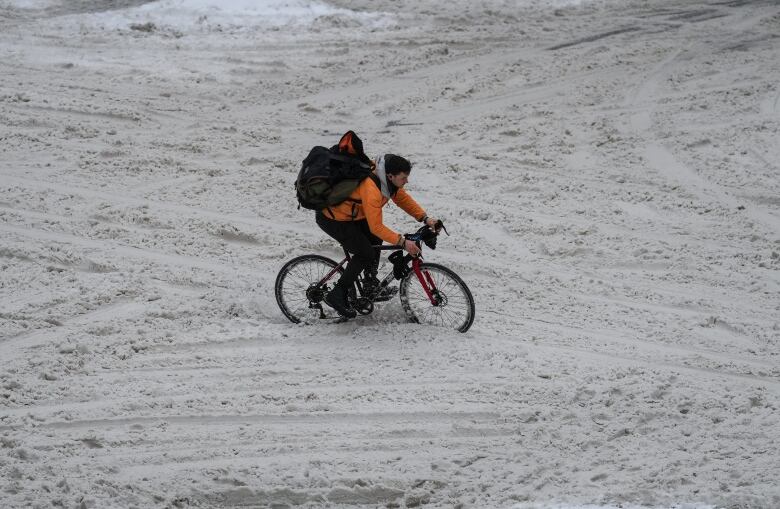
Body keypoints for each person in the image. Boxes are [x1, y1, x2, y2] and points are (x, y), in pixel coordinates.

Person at [316, 151, 439, 318]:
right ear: (390, 176)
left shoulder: (387, 181)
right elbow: (376, 226)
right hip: (333, 218)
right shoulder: (371, 189)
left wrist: (425, 218)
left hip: (353, 215)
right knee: (364, 251)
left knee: (375, 240)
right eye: (403, 178)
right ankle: (337, 293)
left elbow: (402, 198)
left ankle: (369, 283)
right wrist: (403, 242)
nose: (406, 181)